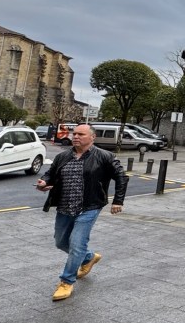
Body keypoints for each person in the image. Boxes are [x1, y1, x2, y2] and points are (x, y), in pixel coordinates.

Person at [36, 124, 128, 301]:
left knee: (77, 244)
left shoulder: (104, 156)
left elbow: (121, 177)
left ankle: (66, 281)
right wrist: (44, 182)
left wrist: (118, 201)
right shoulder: (63, 156)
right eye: (74, 133)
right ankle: (89, 257)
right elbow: (50, 174)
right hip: (64, 206)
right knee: (60, 242)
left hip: (89, 207)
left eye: (81, 134)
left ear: (92, 137)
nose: (75, 136)